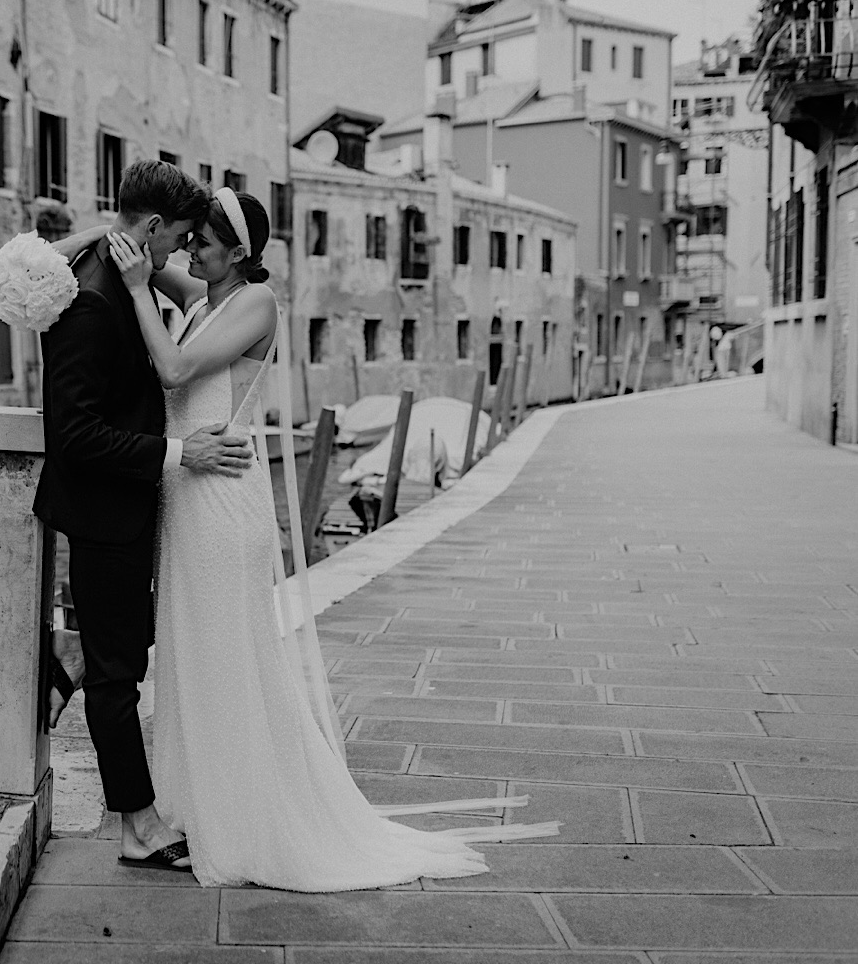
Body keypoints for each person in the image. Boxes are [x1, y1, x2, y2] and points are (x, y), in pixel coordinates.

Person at [99, 186, 557, 889]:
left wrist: (135, 292)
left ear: (239, 251)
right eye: (188, 242)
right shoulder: (203, 292)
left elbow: (176, 370)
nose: (189, 249)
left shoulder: (255, 303)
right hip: (187, 499)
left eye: (205, 243)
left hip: (222, 502)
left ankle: (250, 816)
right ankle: (201, 803)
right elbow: (132, 246)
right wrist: (63, 248)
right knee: (193, 655)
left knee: (230, 656)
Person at [33, 161, 255, 871]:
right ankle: (138, 826)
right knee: (118, 674)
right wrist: (176, 454)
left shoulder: (113, 271)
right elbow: (72, 437)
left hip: (131, 509)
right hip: (107, 511)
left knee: (122, 653)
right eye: (180, 236)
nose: (182, 252)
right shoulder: (94, 298)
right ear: (154, 227)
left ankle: (71, 659)